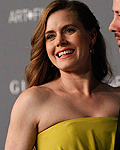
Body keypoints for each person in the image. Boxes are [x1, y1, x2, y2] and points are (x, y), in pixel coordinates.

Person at [5, 0, 120, 149]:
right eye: (50, 36)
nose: (59, 41)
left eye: (69, 30)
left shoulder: (117, 99)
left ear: (91, 36)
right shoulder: (32, 102)